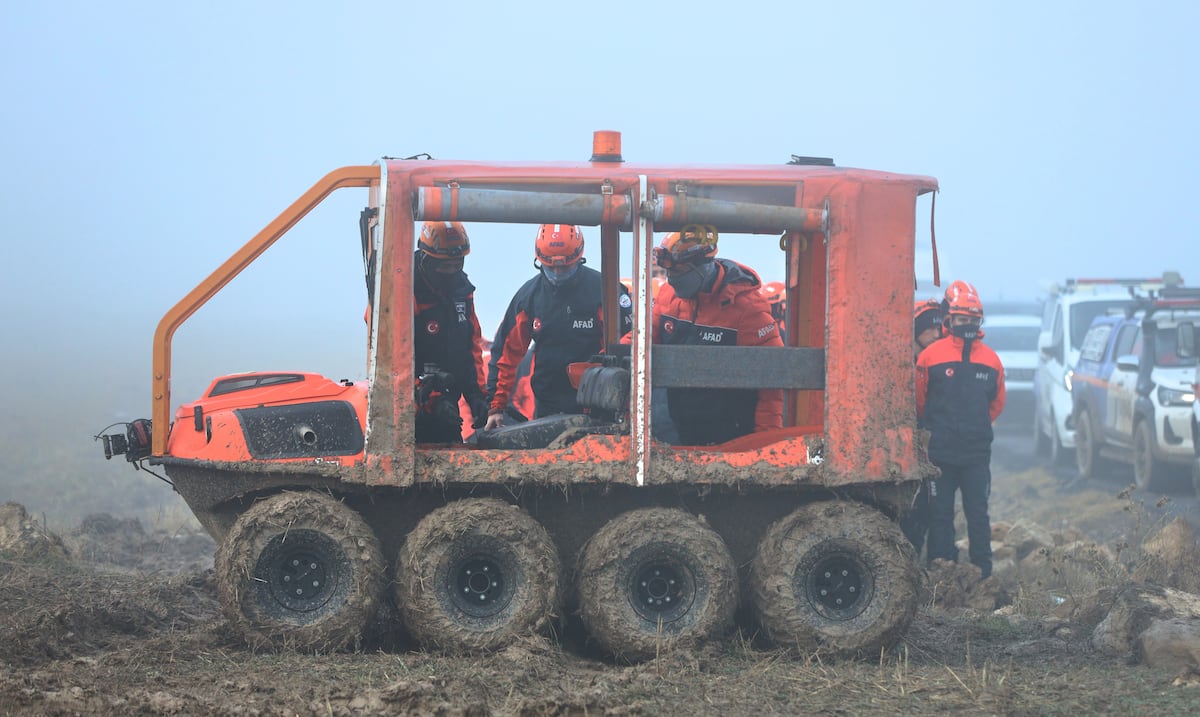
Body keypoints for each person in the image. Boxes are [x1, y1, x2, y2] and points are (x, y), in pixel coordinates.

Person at [485, 224, 632, 429]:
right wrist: (496, 407)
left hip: (600, 405)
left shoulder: (604, 291)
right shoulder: (528, 297)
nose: (557, 273)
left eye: (564, 267)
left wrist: (599, 367)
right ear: (540, 260)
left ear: (578, 257)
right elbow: (506, 355)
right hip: (548, 406)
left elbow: (632, 339)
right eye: (551, 267)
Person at [649, 225, 784, 445]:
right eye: (668, 272)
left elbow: (773, 380)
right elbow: (644, 339)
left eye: (678, 273)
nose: (671, 280)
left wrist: (765, 443)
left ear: (703, 267)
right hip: (677, 432)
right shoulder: (667, 296)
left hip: (730, 438)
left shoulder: (749, 309)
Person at [916, 280, 1006, 578]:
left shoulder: (992, 360)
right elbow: (919, 400)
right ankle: (940, 573)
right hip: (938, 455)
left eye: (972, 320)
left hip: (975, 456)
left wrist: (975, 428)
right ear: (949, 319)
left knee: (978, 515)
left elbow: (996, 404)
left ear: (979, 322)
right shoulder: (930, 356)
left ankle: (983, 574)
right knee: (940, 515)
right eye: (961, 319)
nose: (966, 324)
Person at [412, 221, 489, 443]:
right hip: (407, 408)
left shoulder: (462, 291)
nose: (452, 272)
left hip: (447, 404)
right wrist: (427, 397)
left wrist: (477, 395)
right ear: (427, 260)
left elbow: (471, 345)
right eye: (445, 266)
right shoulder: (403, 288)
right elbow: (388, 357)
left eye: (457, 265)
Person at [901, 297, 945, 554]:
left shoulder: (936, 364)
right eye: (930, 328)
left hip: (930, 446)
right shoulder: (899, 362)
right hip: (902, 447)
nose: (937, 334)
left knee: (928, 508)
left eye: (939, 328)